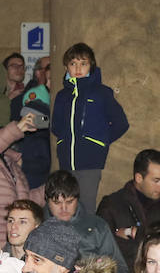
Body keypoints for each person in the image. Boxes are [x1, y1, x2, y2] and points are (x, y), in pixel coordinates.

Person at [50, 42, 129, 213]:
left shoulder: (101, 93)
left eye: (83, 63)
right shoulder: (63, 95)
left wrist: (99, 140)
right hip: (66, 160)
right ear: (66, 67)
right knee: (65, 207)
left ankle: (86, 239)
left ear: (91, 66)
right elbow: (55, 126)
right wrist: (65, 139)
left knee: (85, 206)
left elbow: (121, 123)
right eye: (73, 64)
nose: (78, 68)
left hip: (90, 161)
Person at [97, 148, 160, 268]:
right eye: (157, 180)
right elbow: (103, 248)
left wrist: (135, 233)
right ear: (138, 178)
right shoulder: (111, 204)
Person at [43, 171, 129, 273]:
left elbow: (120, 269)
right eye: (57, 203)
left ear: (77, 199)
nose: (64, 209)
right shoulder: (37, 224)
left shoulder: (97, 226)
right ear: (47, 200)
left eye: (69, 202)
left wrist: (98, 271)